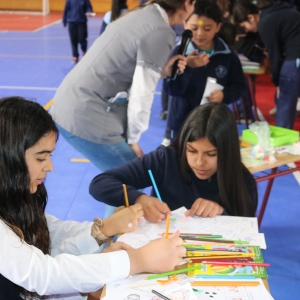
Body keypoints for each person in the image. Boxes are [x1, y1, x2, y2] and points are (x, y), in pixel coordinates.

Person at [0, 96, 186, 300]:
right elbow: (43, 275)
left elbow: (51, 234)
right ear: (9, 158)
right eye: (41, 158)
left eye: (49, 157)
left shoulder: (17, 197)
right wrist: (136, 260)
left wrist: (103, 230)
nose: (50, 167)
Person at [51, 0, 193, 217]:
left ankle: (113, 239)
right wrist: (132, 139)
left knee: (124, 181)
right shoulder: (161, 30)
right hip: (87, 112)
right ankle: (114, 242)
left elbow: (130, 71)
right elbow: (141, 94)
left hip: (72, 104)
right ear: (187, 4)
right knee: (128, 179)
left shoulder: (143, 14)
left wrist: (164, 69)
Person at [89, 103, 258, 224]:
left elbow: (247, 226)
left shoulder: (242, 181)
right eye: (191, 151)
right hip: (162, 251)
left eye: (211, 154)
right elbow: (99, 184)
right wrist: (139, 198)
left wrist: (222, 212)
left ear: (227, 152)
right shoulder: (166, 159)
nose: (199, 162)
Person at [162, 0, 247, 143]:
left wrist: (224, 95)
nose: (200, 33)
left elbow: (239, 85)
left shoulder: (227, 55)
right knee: (180, 160)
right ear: (185, 25)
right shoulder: (178, 53)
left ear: (218, 27)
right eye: (194, 28)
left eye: (207, 28)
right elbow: (172, 89)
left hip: (212, 123)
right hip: (182, 123)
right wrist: (187, 66)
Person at [233, 0, 300, 129]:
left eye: (245, 26)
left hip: (295, 57)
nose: (248, 30)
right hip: (294, 55)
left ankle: (282, 137)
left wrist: (277, 82)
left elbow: (274, 55)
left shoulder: (265, 22)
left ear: (251, 17)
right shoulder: (279, 12)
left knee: (284, 97)